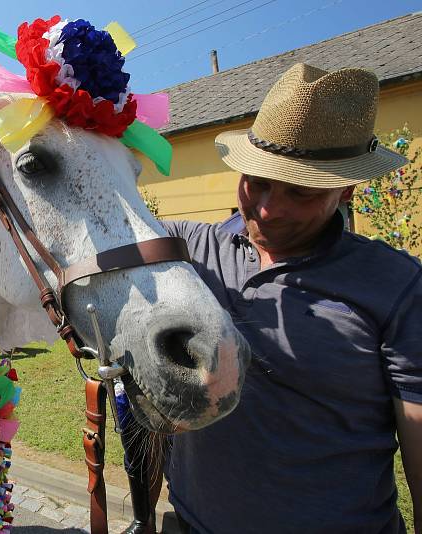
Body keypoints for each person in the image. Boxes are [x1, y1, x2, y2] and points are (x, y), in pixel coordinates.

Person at [154, 63, 421, 533]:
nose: (267, 208)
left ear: (345, 189)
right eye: (256, 181)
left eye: (299, 192)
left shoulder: (397, 286)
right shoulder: (186, 248)